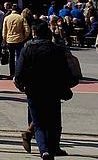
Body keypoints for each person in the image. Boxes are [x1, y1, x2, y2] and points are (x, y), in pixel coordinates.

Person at [15, 22, 74, 159]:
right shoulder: (56, 49)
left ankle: (44, 150)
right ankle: (52, 148)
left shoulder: (27, 48)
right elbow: (64, 71)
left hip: (33, 89)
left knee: (38, 122)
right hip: (53, 89)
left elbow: (19, 71)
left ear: (35, 34)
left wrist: (20, 84)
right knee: (53, 121)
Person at [2, 6, 30, 78]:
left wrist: (4, 40)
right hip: (19, 39)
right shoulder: (21, 18)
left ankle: (11, 73)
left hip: (9, 39)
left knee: (11, 57)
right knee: (18, 56)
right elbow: (27, 30)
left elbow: (4, 31)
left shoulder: (7, 18)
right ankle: (18, 73)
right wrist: (24, 37)